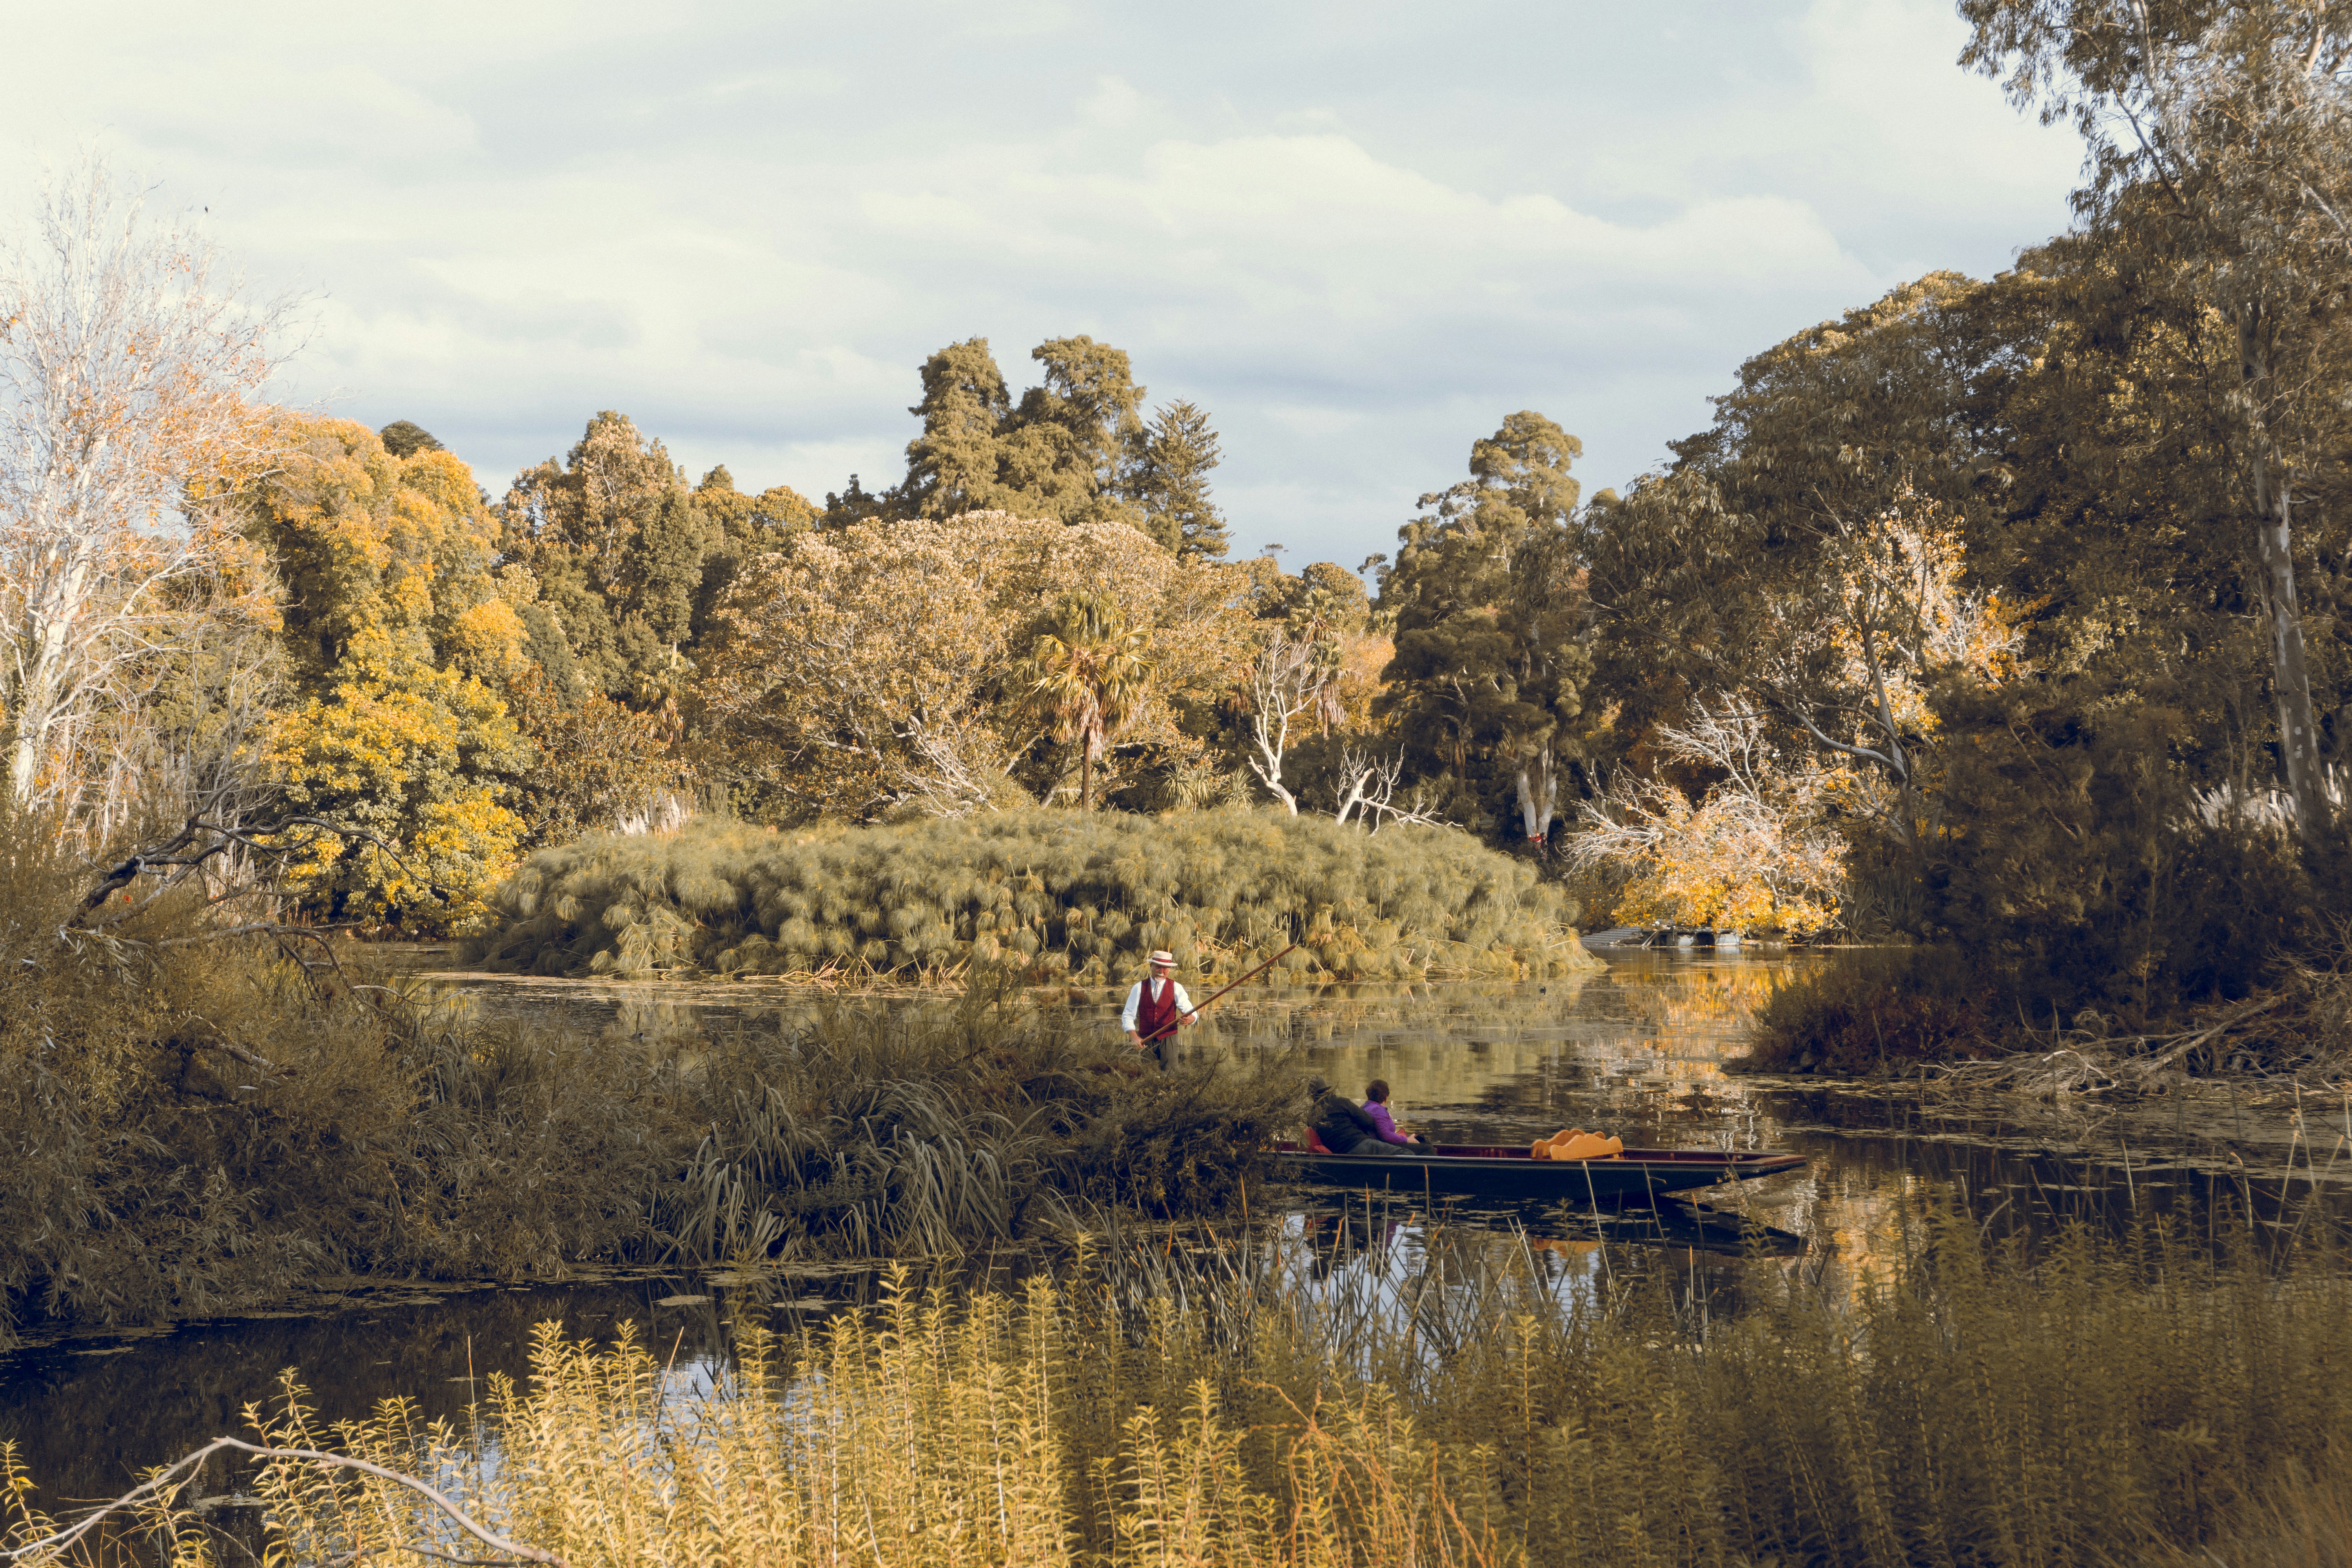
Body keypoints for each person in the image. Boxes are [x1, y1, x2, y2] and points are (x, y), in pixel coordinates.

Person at [1121, 949, 1196, 1070]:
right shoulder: (1139, 988)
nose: (1161, 972)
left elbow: (1191, 1012)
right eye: (1158, 968)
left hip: (1169, 1038)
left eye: (1165, 968)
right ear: (1151, 966)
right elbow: (1128, 1016)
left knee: (1170, 1075)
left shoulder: (1176, 987)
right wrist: (1134, 1037)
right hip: (1146, 1039)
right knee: (1147, 1075)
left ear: (1169, 970)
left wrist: (1190, 1019)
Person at [1304, 1075, 1402, 1156]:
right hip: (1359, 1143)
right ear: (1327, 1091)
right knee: (1405, 1153)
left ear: (1311, 1096)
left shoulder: (1311, 1116)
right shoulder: (1341, 1102)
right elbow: (1369, 1122)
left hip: (1340, 1151)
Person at [1361, 1080, 1419, 1146]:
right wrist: (1407, 1140)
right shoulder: (1378, 1110)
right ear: (1386, 1098)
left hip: (1378, 1144)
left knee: (1423, 1141)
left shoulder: (1364, 1107)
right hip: (1384, 1147)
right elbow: (1386, 1136)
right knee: (1427, 1147)